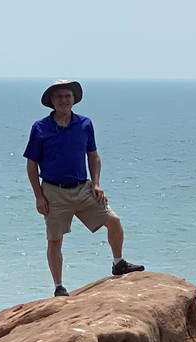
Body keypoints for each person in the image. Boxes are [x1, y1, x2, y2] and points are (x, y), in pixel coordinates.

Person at [24, 79, 144, 297]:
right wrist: (38, 196)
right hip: (54, 191)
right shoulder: (40, 128)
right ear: (52, 101)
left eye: (67, 96)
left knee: (113, 221)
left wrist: (96, 183)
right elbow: (31, 164)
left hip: (83, 188)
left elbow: (94, 156)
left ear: (74, 99)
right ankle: (59, 287)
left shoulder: (85, 124)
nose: (64, 100)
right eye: (59, 96)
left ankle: (118, 263)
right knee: (54, 239)